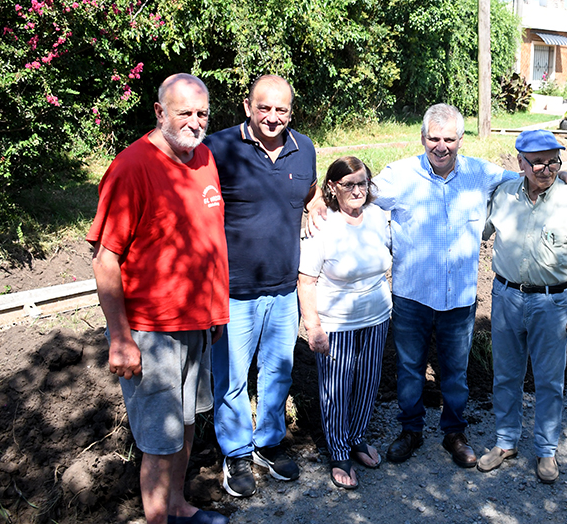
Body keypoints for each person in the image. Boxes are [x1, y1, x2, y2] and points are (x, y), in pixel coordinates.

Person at [369, 104, 567, 469]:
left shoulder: (480, 173)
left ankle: (454, 433)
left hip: (459, 297)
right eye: (434, 139)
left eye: (449, 139)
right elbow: (360, 193)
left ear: (460, 141)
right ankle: (410, 431)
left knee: (455, 372)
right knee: (409, 369)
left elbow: (529, 174)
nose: (441, 146)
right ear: (423, 138)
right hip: (412, 295)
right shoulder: (399, 175)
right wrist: (317, 200)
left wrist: (562, 176)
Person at [88, 73, 230, 524]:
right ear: (159, 112)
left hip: (197, 322)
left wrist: (216, 310)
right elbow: (105, 260)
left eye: (201, 113)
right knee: (159, 439)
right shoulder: (132, 167)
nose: (194, 121)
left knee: (187, 425)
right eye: (184, 112)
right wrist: (120, 338)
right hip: (152, 331)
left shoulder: (204, 157)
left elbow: (207, 238)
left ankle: (178, 507)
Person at [206, 75, 319, 498]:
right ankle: (234, 453)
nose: (273, 118)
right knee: (232, 378)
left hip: (283, 289)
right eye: (264, 108)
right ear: (247, 106)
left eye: (282, 110)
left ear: (292, 111)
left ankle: (267, 443)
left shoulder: (303, 148)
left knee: (278, 371)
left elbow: (308, 189)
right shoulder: (217, 149)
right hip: (232, 291)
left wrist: (314, 201)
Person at [476, 130, 567, 484]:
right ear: (521, 163)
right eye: (538, 161)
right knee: (506, 374)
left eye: (554, 161)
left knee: (548, 379)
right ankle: (505, 442)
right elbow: (477, 230)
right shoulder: (503, 195)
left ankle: (546, 450)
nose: (547, 168)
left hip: (553, 301)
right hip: (507, 297)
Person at [298, 157, 391, 490]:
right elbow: (305, 281)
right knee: (337, 389)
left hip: (377, 317)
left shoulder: (379, 217)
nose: (357, 190)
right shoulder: (322, 225)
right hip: (336, 323)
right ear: (333, 188)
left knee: (367, 382)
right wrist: (314, 327)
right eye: (348, 184)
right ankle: (338, 452)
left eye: (362, 183)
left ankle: (357, 437)